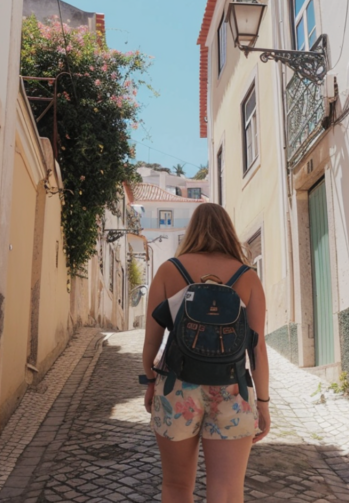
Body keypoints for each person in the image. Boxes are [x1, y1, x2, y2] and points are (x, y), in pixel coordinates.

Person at [142, 203, 271, 503]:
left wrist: (151, 380)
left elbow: (151, 342)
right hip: (233, 389)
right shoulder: (248, 277)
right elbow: (258, 348)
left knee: (176, 486)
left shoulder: (168, 271)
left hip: (176, 388)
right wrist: (262, 403)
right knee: (226, 490)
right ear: (228, 232)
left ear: (192, 231)